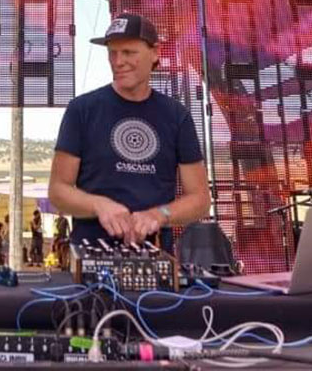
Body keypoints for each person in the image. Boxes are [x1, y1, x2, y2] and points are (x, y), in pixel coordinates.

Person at [49, 13, 210, 249]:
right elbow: (58, 191)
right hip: (90, 252)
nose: (118, 61)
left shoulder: (177, 116)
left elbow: (200, 200)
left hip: (155, 253)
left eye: (128, 52)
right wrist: (99, 205)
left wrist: (160, 214)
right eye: (112, 53)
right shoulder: (82, 110)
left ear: (155, 53)